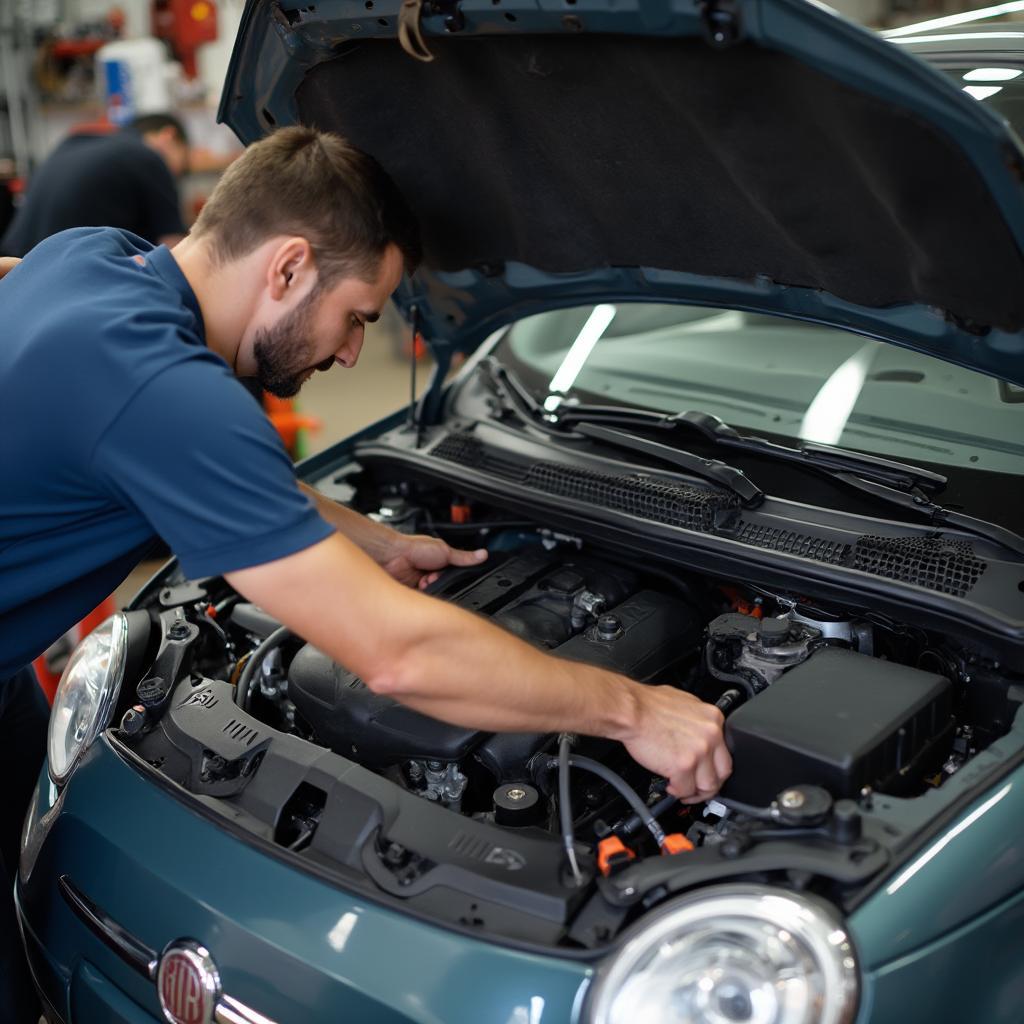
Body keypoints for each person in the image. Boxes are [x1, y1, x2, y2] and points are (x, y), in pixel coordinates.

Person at [0, 126, 730, 1022]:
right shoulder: (167, 394)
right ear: (289, 267)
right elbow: (397, 660)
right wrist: (638, 709)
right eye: (358, 316)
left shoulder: (88, 258)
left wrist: (367, 541)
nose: (351, 355)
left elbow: (165, 451)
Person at [0, 112, 189, 257]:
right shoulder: (149, 155)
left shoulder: (74, 144)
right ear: (168, 136)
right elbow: (173, 250)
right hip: (64, 276)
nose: (178, 174)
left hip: (13, 269)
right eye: (184, 161)